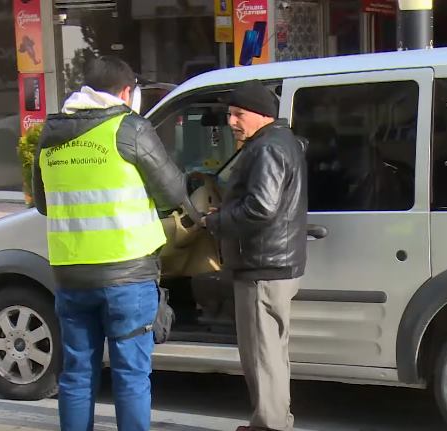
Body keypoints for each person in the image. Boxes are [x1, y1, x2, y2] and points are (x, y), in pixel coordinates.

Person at [32, 56, 187, 431]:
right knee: (131, 376)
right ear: (125, 92)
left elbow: (42, 203)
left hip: (71, 276)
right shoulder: (129, 128)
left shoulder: (50, 134)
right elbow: (173, 192)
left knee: (77, 374)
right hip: (128, 276)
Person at [202, 80, 308, 431]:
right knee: (272, 353)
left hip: (262, 265)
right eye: (230, 114)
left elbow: (261, 207)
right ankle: (275, 419)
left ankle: (269, 425)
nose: (231, 121)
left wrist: (217, 221)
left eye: (238, 114)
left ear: (261, 115)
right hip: (274, 264)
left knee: (262, 355)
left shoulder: (266, 149)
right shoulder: (280, 141)